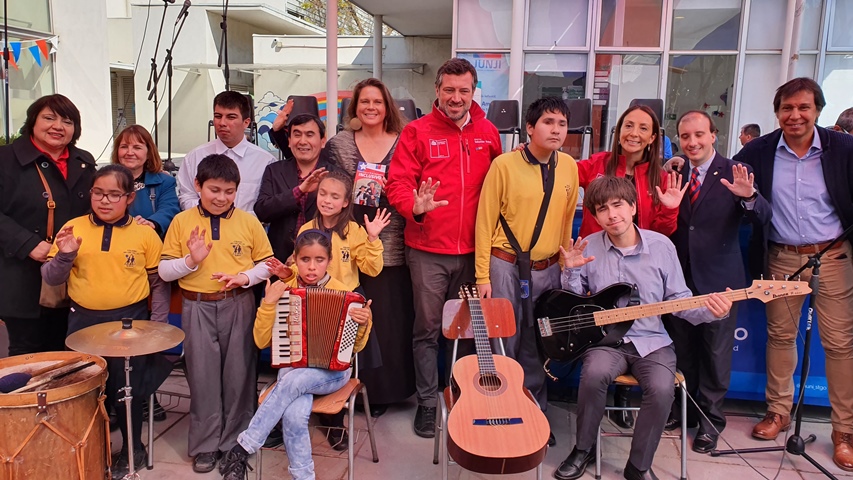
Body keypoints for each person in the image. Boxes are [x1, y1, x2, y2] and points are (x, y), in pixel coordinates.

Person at [554, 176, 732, 480]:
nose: (612, 215)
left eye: (618, 205)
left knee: (663, 389)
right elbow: (575, 301)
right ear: (594, 216)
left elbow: (679, 299)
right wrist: (570, 271)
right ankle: (583, 449)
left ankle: (638, 466)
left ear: (633, 207)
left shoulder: (661, 246)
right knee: (593, 374)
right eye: (602, 209)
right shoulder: (589, 246)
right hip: (606, 341)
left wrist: (712, 311)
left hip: (652, 339)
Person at [732, 77, 853, 472]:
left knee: (839, 344)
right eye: (787, 108)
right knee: (781, 337)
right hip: (782, 257)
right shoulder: (758, 151)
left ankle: (845, 431)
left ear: (818, 109)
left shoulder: (844, 149)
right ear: (777, 112)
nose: (795, 115)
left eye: (803, 107)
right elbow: (733, 189)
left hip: (834, 255)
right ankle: (778, 412)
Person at [385, 57, 503, 438]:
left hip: (474, 254)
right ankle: (427, 403)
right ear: (437, 90)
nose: (456, 97)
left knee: (470, 330)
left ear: (473, 92)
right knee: (428, 329)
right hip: (428, 251)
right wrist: (414, 206)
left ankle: (462, 395)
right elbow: (397, 183)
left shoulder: (488, 133)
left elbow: (502, 188)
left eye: (463, 91)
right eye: (448, 90)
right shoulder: (416, 132)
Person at [40, 164, 173, 479]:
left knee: (128, 389)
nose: (104, 201)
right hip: (83, 321)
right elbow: (49, 276)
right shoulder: (73, 229)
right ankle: (89, 447)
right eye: (99, 193)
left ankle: (132, 449)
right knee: (85, 389)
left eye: (114, 194)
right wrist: (65, 254)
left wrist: (158, 328)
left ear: (129, 198)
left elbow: (159, 286)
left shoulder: (145, 235)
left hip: (131, 322)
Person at [218, 229, 373, 480]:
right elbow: (260, 340)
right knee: (293, 414)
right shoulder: (282, 289)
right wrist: (268, 305)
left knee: (291, 381)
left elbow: (355, 349)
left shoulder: (346, 294)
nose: (312, 267)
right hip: (292, 370)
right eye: (305, 260)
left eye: (319, 260)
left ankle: (243, 447)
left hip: (332, 373)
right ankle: (304, 477)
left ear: (329, 261)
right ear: (295, 259)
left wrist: (364, 323)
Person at [664, 111, 771, 453]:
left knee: (715, 355)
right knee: (682, 353)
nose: (692, 142)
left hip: (720, 282)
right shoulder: (675, 171)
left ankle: (710, 423)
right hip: (679, 279)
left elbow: (763, 216)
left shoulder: (737, 172)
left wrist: (749, 196)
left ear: (713, 135)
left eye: (699, 134)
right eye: (685, 136)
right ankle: (682, 413)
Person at [159, 154, 274, 473]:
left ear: (237, 191)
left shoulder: (248, 221)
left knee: (239, 374)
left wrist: (246, 277)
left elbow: (268, 263)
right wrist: (190, 262)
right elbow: (165, 271)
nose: (221, 197)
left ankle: (236, 442)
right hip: (196, 305)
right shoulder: (182, 222)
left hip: (239, 303)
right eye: (214, 190)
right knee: (202, 376)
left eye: (229, 191)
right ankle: (206, 444)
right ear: (197, 186)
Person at [474, 97, 578, 444]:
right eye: (548, 122)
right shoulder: (504, 165)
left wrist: (564, 269)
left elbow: (565, 224)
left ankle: (534, 412)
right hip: (504, 266)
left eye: (562, 124)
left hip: (547, 270)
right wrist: (482, 276)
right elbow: (485, 223)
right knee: (504, 341)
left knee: (537, 343)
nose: (556, 130)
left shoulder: (569, 167)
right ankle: (500, 413)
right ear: (530, 128)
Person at [575, 104, 685, 429]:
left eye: (642, 128)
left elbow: (661, 237)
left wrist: (670, 210)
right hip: (596, 265)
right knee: (600, 344)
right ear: (619, 130)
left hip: (636, 271)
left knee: (635, 329)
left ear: (653, 137)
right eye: (628, 125)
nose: (633, 133)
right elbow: (563, 172)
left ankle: (623, 397)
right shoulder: (598, 164)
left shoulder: (661, 177)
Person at [327, 78, 417, 415]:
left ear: (387, 105)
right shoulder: (340, 144)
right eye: (364, 101)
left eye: (377, 102)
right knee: (357, 320)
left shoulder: (404, 140)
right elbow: (331, 187)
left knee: (391, 322)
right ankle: (356, 390)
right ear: (355, 107)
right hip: (351, 243)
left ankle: (389, 393)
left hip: (393, 242)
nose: (370, 107)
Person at [0, 94, 96, 356]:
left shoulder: (83, 161)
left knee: (68, 353)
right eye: (49, 118)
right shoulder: (5, 159)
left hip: (71, 275)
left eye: (67, 121)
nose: (58, 126)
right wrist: (28, 243)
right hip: (22, 275)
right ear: (33, 121)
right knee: (27, 356)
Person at [255, 113, 336, 262]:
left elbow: (343, 219)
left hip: (322, 263)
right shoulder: (274, 170)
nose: (303, 141)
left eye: (310, 135)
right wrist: (299, 191)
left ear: (322, 141)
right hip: (279, 262)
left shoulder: (335, 175)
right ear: (289, 141)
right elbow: (262, 211)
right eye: (297, 135)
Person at [177, 91, 275, 213]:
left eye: (231, 117)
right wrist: (211, 213)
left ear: (246, 122)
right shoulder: (194, 157)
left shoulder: (265, 161)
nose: (222, 123)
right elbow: (186, 196)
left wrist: (237, 220)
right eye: (218, 116)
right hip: (203, 228)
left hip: (247, 229)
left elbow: (268, 205)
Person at [111, 124, 180, 237]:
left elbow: (169, 209)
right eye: (124, 147)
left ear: (148, 153)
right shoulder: (105, 180)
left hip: (149, 242)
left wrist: (152, 222)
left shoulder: (165, 182)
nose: (129, 152)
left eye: (137, 147)